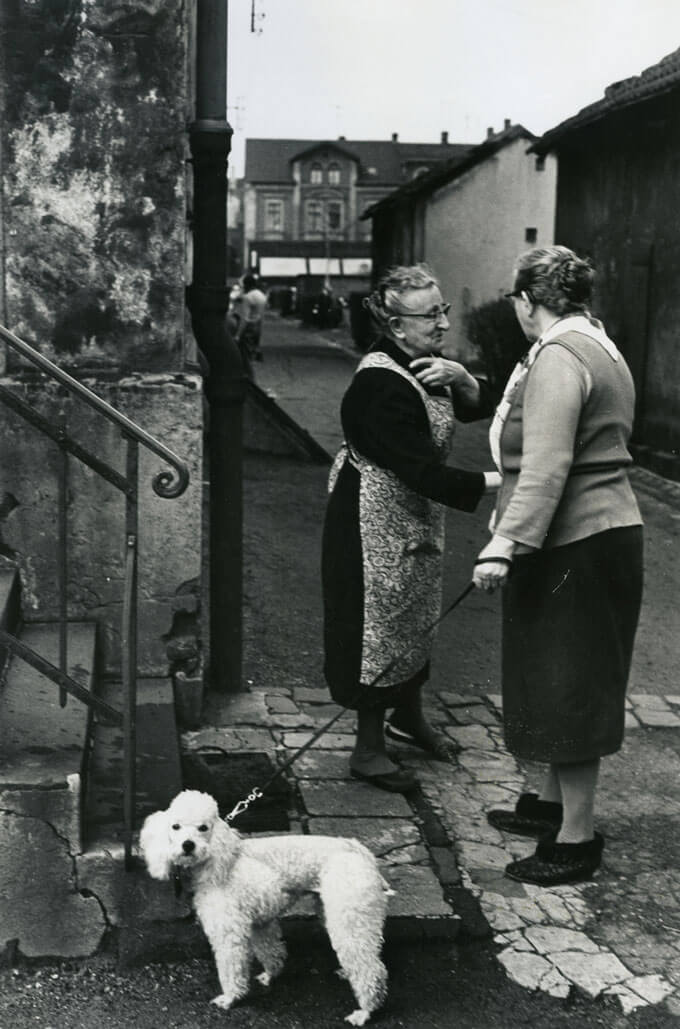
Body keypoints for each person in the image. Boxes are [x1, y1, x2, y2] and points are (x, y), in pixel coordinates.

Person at [473, 245, 643, 886]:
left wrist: (503, 543)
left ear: (526, 301)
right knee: (556, 674)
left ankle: (576, 839)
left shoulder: (558, 358)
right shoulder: (596, 344)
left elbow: (547, 466)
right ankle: (549, 805)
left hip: (577, 539)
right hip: (597, 533)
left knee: (570, 683)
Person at [322, 264, 501, 793]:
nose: (443, 323)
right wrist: (506, 480)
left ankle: (408, 718)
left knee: (414, 615)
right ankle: (367, 749)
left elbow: (473, 408)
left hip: (411, 511)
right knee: (377, 626)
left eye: (442, 310)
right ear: (397, 326)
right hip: (370, 518)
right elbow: (423, 471)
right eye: (430, 316)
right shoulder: (379, 384)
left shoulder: (424, 364)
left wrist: (463, 377)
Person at [235, 274, 267, 368]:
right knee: (253, 352)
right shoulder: (261, 295)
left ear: (246, 285)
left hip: (249, 328)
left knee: (246, 356)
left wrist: (238, 335)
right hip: (258, 325)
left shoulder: (248, 297)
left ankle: (249, 373)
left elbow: (245, 318)